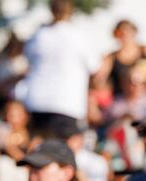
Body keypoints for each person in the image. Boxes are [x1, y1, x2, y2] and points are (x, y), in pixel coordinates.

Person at [20, 0, 100, 139]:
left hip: (38, 101)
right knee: (62, 151)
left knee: (40, 149)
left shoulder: (39, 35)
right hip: (68, 103)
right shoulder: (78, 36)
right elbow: (95, 67)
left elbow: (27, 60)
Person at [93, 19, 146, 98]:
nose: (125, 36)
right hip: (124, 102)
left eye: (128, 32)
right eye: (121, 33)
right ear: (116, 35)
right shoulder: (111, 57)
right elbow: (98, 81)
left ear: (134, 33)